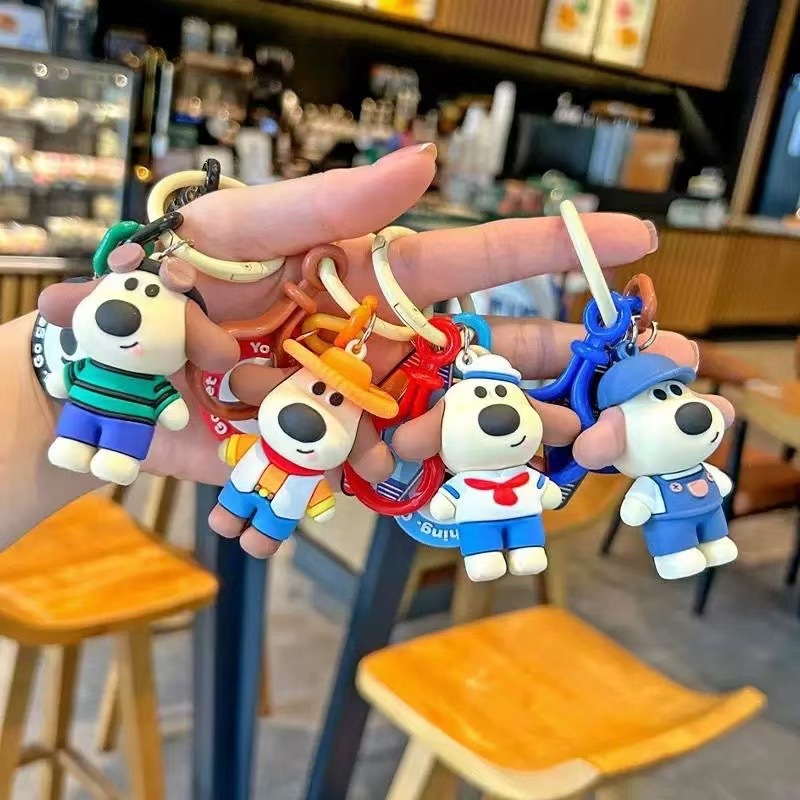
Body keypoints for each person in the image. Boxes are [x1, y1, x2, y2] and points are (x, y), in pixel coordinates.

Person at [0, 143, 692, 550]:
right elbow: (226, 376)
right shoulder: (229, 345)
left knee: (259, 505)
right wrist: (51, 378)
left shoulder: (386, 411)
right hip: (249, 448)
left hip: (363, 470)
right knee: (243, 499)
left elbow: (381, 445)